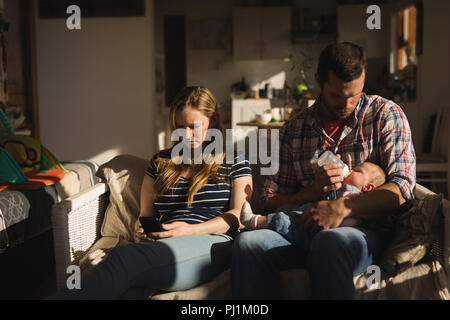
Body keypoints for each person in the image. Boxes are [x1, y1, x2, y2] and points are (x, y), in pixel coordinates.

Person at [231, 42, 416, 300]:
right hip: (302, 231)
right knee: (247, 244)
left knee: (329, 242)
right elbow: (268, 201)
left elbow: (403, 189)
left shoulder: (385, 115)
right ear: (320, 81)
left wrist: (344, 208)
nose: (348, 103)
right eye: (338, 96)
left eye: (355, 94)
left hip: (365, 232)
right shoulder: (293, 131)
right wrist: (312, 192)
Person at [52, 86, 252, 299]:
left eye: (194, 127)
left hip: (213, 243)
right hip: (162, 242)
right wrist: (141, 231)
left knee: (123, 258)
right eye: (180, 127)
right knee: (127, 292)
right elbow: (145, 216)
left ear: (213, 120)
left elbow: (239, 217)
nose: (186, 135)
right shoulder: (160, 163)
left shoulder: (234, 161)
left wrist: (189, 230)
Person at [239, 161, 386, 249]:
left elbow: (347, 221)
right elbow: (268, 198)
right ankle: (265, 219)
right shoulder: (341, 188)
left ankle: (258, 221)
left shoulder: (353, 195)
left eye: (358, 171)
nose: (351, 169)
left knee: (293, 219)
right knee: (290, 211)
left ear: (368, 187)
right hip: (313, 215)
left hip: (318, 227)